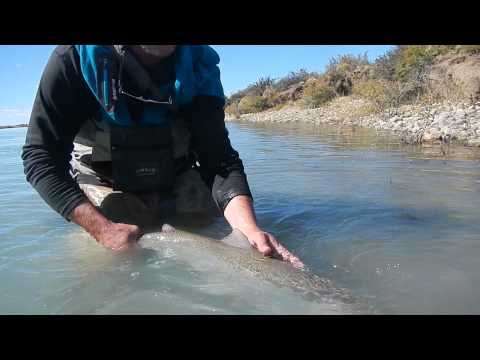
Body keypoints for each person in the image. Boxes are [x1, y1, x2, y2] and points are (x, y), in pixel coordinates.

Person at [22, 45, 303, 268]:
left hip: (177, 174)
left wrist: (250, 231)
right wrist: (103, 230)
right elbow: (40, 157)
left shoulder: (200, 67)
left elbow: (219, 160)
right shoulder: (71, 58)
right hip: (105, 179)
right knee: (105, 260)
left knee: (215, 225)